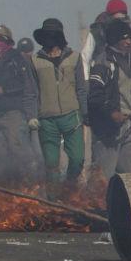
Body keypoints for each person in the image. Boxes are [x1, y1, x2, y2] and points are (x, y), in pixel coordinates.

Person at [86, 19, 131, 177]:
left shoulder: (129, 60)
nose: (129, 42)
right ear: (114, 40)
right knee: (103, 176)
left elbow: (130, 89)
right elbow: (94, 96)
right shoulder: (103, 64)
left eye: (130, 38)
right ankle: (96, 202)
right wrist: (112, 113)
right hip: (108, 129)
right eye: (124, 38)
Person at [30, 18, 86, 189]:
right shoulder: (34, 61)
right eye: (47, 35)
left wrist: (84, 113)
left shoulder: (75, 57)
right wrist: (31, 116)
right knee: (51, 163)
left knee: (77, 159)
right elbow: (31, 92)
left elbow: (82, 89)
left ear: (60, 37)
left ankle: (69, 186)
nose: (50, 39)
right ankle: (54, 200)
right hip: (47, 119)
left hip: (72, 115)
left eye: (54, 35)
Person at [0, 24, 38, 173]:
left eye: (1, 39)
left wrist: (4, 90)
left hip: (12, 111)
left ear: (8, 42)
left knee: (17, 146)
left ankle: (32, 178)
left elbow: (24, 84)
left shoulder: (16, 58)